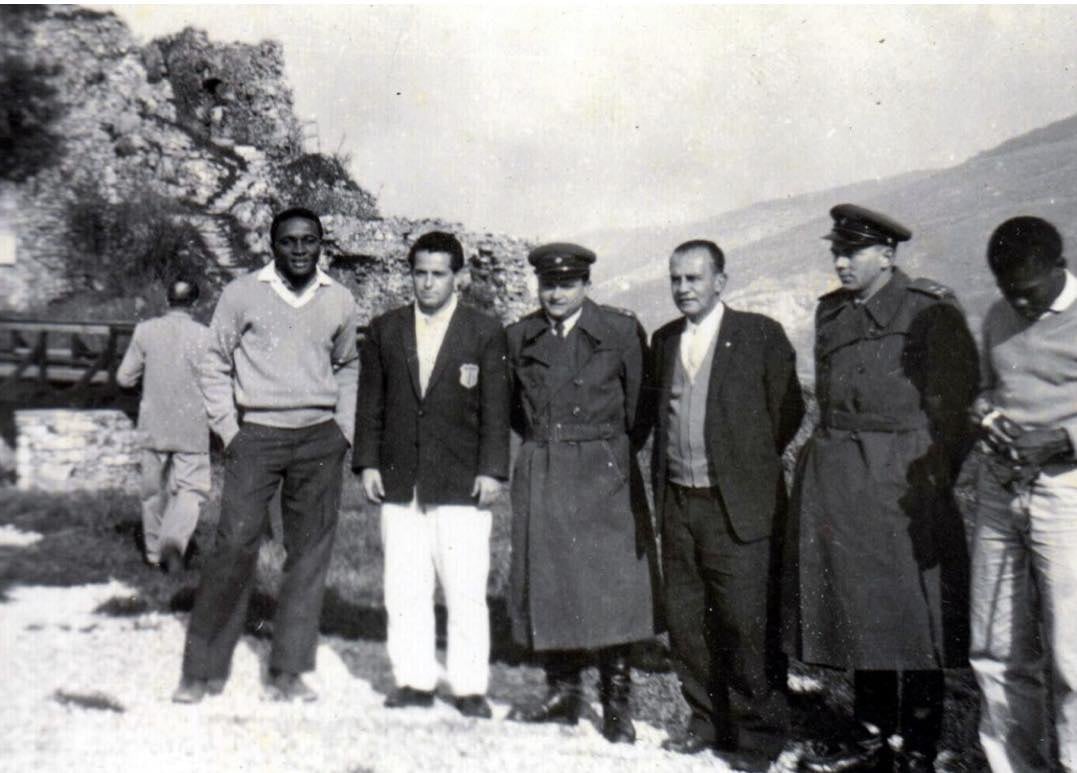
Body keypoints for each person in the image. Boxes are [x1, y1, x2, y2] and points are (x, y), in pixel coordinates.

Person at [791, 204, 979, 772]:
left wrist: (931, 473)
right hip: (844, 480)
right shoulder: (831, 314)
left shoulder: (928, 309)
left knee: (914, 613)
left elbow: (958, 409)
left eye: (852, 252)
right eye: (836, 252)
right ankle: (870, 733)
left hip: (904, 482)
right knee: (860, 603)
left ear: (887, 255)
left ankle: (919, 745)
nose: (840, 262)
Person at [173, 207, 360, 704]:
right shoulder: (241, 295)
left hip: (319, 439)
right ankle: (201, 669)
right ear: (271, 245)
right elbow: (212, 362)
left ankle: (288, 671)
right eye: (288, 241)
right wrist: (229, 430)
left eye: (309, 241)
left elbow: (347, 364)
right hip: (256, 437)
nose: (299, 250)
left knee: (309, 554)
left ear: (323, 245)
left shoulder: (339, 299)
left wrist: (344, 426)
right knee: (234, 544)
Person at [651, 240, 804, 765]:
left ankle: (757, 734)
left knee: (746, 624)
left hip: (737, 507)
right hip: (679, 504)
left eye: (694, 278)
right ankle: (704, 721)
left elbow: (786, 412)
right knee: (688, 620)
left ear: (721, 281)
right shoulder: (665, 340)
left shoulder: (759, 337)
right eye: (676, 279)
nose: (683, 289)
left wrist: (746, 468)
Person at [503, 242, 659, 744]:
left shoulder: (618, 330)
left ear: (586, 285)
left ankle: (616, 701)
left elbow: (641, 409)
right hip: (546, 463)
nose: (556, 293)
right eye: (548, 284)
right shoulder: (519, 336)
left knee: (612, 583)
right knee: (550, 578)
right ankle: (563, 692)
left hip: (603, 466)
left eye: (567, 284)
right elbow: (513, 409)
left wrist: (606, 451)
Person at [353, 231, 511, 718]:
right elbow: (371, 403)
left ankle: (469, 687)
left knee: (464, 589)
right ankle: (415, 680)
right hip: (401, 479)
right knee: (404, 586)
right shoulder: (386, 329)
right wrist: (368, 462)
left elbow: (495, 411)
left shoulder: (484, 331)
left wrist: (491, 471)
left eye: (438, 274)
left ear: (458, 277)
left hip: (461, 482)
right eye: (419, 273)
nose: (427, 283)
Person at [969, 216, 1077, 773]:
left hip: (1067, 492)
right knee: (995, 647)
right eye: (1010, 293)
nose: (1022, 307)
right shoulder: (997, 315)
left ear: (1059, 267)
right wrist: (985, 413)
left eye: (1030, 294)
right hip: (1000, 488)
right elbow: (990, 388)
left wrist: (1061, 438)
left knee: (1072, 655)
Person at [116, 278, 211, 573]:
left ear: (167, 300)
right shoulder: (206, 336)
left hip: (153, 421)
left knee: (152, 491)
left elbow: (124, 378)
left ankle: (154, 552)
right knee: (191, 489)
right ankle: (175, 541)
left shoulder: (145, 331)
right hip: (192, 424)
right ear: (194, 303)